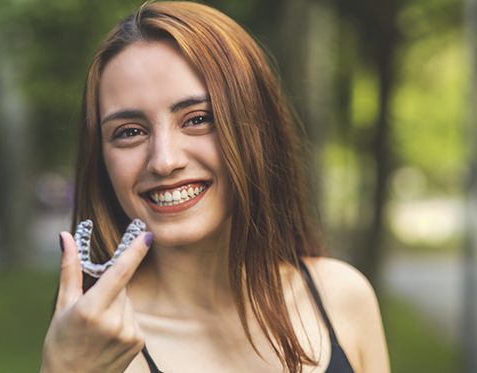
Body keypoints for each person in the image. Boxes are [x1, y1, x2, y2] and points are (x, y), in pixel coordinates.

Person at [41, 2, 390, 372]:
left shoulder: (342, 297)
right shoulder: (103, 347)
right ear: (101, 161)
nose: (164, 160)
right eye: (129, 132)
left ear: (258, 128)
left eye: (198, 119)